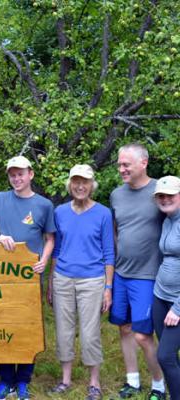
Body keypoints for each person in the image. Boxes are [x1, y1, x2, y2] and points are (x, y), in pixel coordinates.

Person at [0, 155, 55, 400]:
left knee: (27, 329)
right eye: (12, 174)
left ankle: (23, 381)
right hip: (3, 278)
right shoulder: (0, 199)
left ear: (30, 174)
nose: (16, 178)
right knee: (4, 327)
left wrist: (44, 260)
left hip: (29, 278)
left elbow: (50, 238)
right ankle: (5, 380)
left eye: (20, 173)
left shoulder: (44, 205)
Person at [47, 165, 114, 400]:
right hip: (63, 278)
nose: (80, 186)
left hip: (92, 281)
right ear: (70, 184)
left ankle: (94, 383)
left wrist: (108, 287)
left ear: (92, 185)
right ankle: (65, 379)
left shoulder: (104, 213)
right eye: (76, 181)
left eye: (85, 181)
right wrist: (51, 283)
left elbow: (109, 253)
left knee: (90, 332)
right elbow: (56, 249)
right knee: (63, 330)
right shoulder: (60, 212)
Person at [109, 143, 165, 400]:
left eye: (126, 164)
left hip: (148, 275)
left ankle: (159, 384)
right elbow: (118, 231)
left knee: (143, 335)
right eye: (119, 164)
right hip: (122, 273)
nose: (121, 169)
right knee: (124, 328)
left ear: (143, 163)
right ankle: (133, 381)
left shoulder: (160, 192)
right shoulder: (116, 195)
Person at [152, 176, 180, 400]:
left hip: (177, 303)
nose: (165, 199)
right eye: (161, 195)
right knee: (170, 355)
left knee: (165, 356)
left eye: (170, 194)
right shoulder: (167, 219)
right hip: (161, 296)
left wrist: (178, 308)